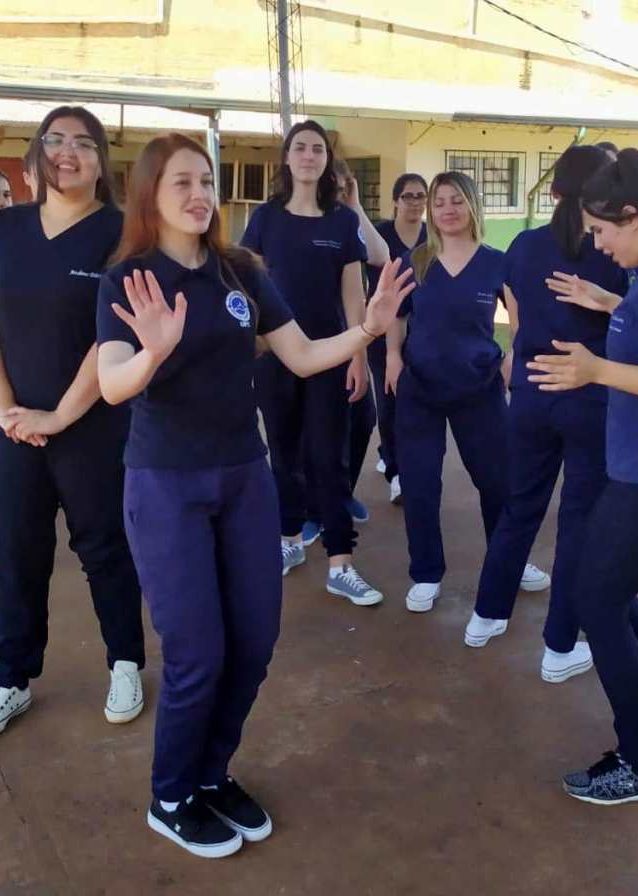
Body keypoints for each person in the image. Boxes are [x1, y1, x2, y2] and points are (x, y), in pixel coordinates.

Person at [96, 132, 414, 857]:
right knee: (197, 650)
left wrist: (365, 329)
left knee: (255, 640)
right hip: (166, 483)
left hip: (244, 477)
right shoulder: (130, 281)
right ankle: (171, 793)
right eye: (180, 182)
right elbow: (113, 383)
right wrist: (151, 351)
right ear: (151, 194)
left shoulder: (239, 271)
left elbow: (301, 355)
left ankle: (211, 774)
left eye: (205, 180)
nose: (199, 194)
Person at [0, 106, 145, 741]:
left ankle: (125, 661)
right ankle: (10, 678)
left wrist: (60, 414)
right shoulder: (7, 227)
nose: (67, 153)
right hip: (10, 427)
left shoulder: (122, 233)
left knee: (103, 548)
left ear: (102, 159)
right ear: (39, 152)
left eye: (83, 143)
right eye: (55, 140)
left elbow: (114, 331)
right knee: (16, 552)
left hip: (90, 424)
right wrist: (4, 408)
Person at [527, 148, 638, 805]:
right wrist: (610, 302)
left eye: (600, 230)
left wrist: (598, 370)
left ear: (633, 216)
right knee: (606, 589)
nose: (595, 241)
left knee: (596, 598)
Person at [464, 145, 628, 685]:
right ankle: (559, 646)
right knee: (578, 520)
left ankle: (486, 615)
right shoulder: (613, 251)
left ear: (554, 191)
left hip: (533, 392)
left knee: (520, 507)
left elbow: (513, 306)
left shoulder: (526, 245)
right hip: (587, 391)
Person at [386, 171, 550, 613]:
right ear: (431, 211)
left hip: (479, 387)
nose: (448, 209)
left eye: (457, 200)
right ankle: (425, 573)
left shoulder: (498, 262)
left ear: (472, 205)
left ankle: (508, 564)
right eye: (439, 202)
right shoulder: (415, 260)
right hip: (420, 386)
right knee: (420, 485)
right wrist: (393, 357)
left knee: (497, 482)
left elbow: (520, 319)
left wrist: (516, 353)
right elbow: (395, 316)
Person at [242, 120, 385, 605]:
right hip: (275, 357)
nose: (308, 156)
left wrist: (358, 355)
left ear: (326, 160)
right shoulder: (264, 218)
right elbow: (245, 288)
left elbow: (354, 292)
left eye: (317, 149)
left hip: (330, 354)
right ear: (287, 158)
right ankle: (287, 541)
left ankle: (341, 562)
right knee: (282, 452)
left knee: (330, 456)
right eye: (300, 148)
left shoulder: (342, 222)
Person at [302, 157, 389, 544]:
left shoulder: (345, 220)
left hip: (348, 338)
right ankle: (310, 510)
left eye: (342, 184)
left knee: (361, 418)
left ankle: (340, 493)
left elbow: (380, 255)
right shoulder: (296, 218)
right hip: (302, 342)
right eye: (332, 184)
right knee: (310, 432)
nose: (335, 189)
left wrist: (354, 204)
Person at [370, 172, 428, 505]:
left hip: (420, 334)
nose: (416, 202)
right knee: (389, 403)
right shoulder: (380, 236)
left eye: (421, 196)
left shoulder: (431, 237)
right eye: (408, 196)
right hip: (383, 333)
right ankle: (396, 472)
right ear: (395, 200)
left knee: (416, 404)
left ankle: (405, 460)